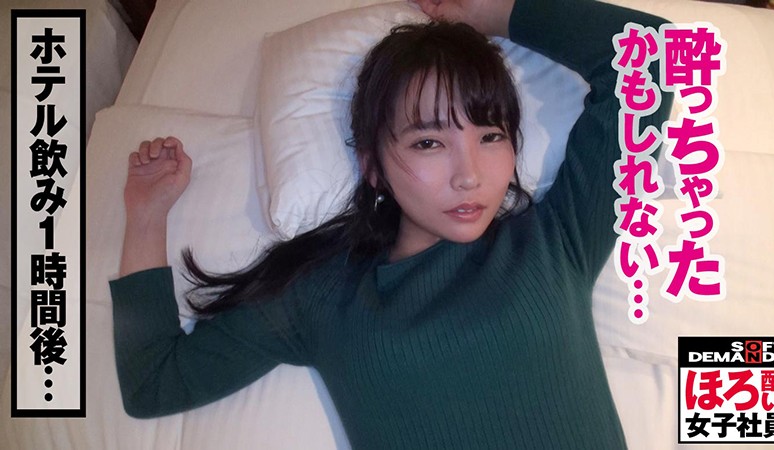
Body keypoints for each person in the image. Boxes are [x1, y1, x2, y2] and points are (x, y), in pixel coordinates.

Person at [111, 0, 672, 448]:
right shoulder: (327, 296)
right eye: (429, 142)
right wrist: (147, 217)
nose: (469, 175)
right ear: (373, 166)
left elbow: (653, 54)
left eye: (490, 136)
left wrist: (493, 12)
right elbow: (154, 384)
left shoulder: (556, 240)